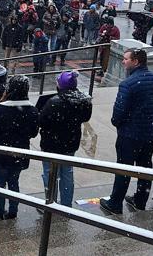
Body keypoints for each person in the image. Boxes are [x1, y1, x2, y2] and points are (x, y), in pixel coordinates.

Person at [100, 49, 153, 214]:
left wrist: (118, 124)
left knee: (124, 168)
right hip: (150, 134)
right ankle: (140, 200)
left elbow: (119, 113)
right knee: (145, 166)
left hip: (130, 135)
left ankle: (115, 203)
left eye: (126, 59)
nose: (123, 62)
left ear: (136, 62)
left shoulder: (128, 84)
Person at [0, 75, 39, 220]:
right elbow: (34, 133)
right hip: (19, 153)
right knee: (14, 182)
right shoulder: (32, 110)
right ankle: (13, 211)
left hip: (1, 153)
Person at [39, 71, 92, 207]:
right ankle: (66, 204)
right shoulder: (84, 101)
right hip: (70, 142)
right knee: (67, 173)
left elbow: (42, 122)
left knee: (50, 174)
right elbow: (85, 118)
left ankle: (51, 201)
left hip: (51, 144)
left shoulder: (52, 102)